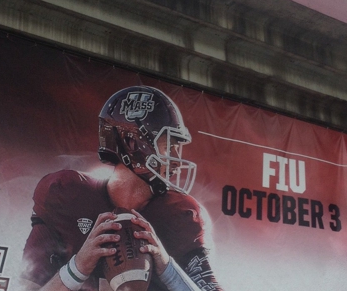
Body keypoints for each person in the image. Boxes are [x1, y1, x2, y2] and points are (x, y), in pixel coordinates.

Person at [21, 86, 223, 291]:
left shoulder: (181, 215)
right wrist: (78, 267)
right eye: (168, 146)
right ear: (132, 143)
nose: (177, 160)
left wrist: (168, 268)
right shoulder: (66, 196)